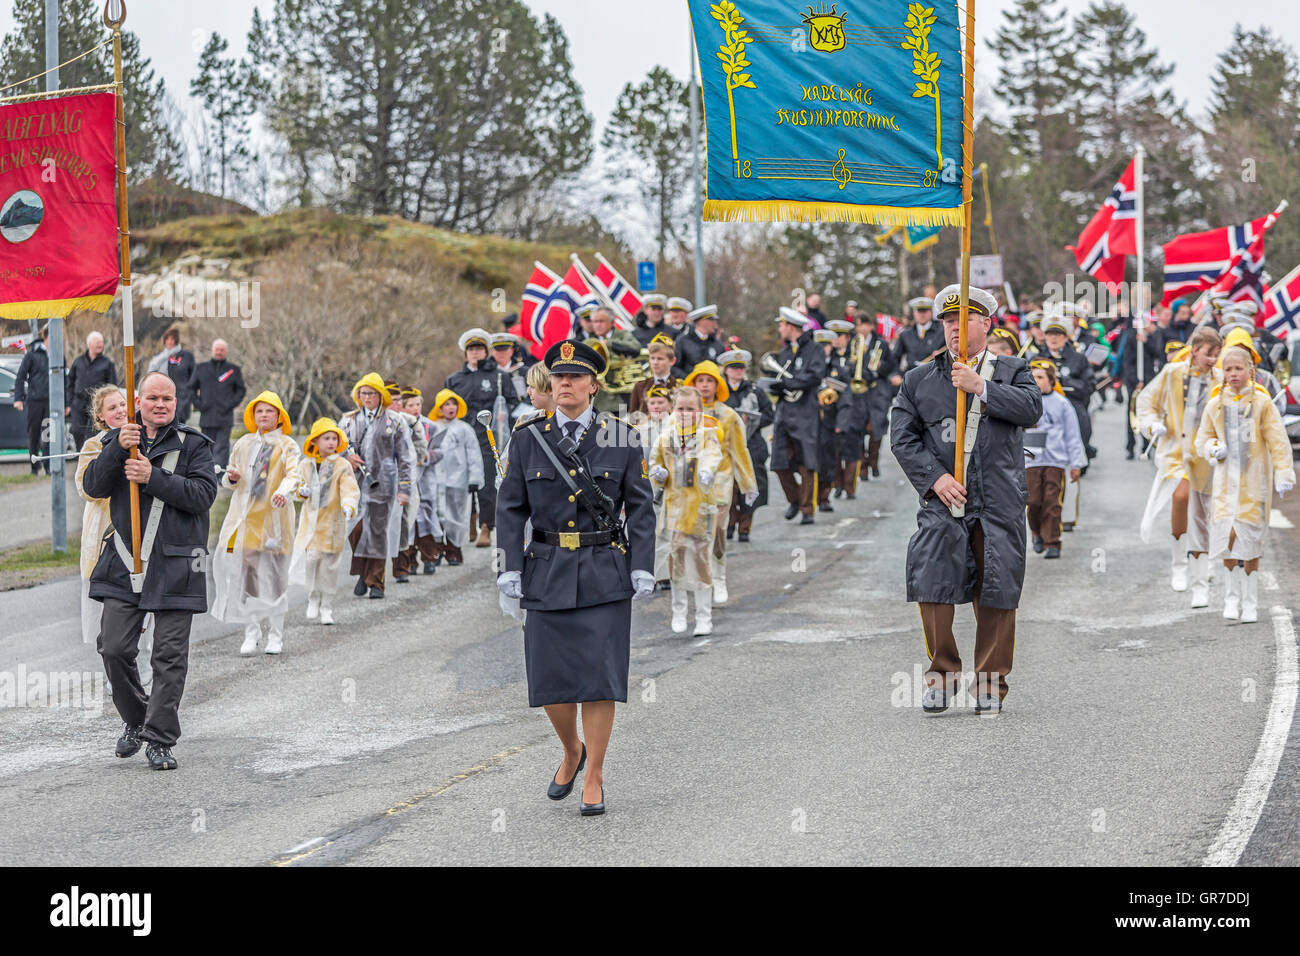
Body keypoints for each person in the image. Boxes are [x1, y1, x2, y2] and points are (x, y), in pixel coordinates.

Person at [495, 339, 657, 816]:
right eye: (558, 377)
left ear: (594, 384)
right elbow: (509, 509)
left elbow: (642, 507)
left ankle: (595, 774)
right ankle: (571, 749)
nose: (564, 383)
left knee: (599, 679)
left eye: (575, 376)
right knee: (550, 679)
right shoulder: (528, 437)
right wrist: (509, 568)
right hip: (546, 568)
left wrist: (644, 563)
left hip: (605, 568)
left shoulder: (621, 436)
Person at [890, 286, 1043, 715]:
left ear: (986, 324)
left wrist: (981, 387)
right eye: (948, 321)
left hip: (998, 501)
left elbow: (1031, 408)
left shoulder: (1012, 370)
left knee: (997, 590)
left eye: (964, 320)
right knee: (931, 581)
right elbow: (902, 437)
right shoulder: (920, 379)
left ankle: (991, 684)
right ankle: (942, 675)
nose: (955, 328)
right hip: (945, 500)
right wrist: (934, 478)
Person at [82, 371, 218, 770]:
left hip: (178, 563)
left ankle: (160, 740)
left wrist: (153, 478)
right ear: (137, 401)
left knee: (169, 656)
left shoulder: (194, 445)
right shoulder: (118, 438)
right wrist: (116, 450)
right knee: (114, 647)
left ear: (177, 404)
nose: (161, 405)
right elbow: (94, 487)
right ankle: (137, 718)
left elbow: (203, 495)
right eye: (153, 398)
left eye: (168, 399)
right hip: (127, 561)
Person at [1195, 346, 1296, 624]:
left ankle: (1250, 602)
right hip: (1225, 485)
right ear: (1223, 374)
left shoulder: (1262, 403)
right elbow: (1202, 437)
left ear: (1250, 371)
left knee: (1250, 543)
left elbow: (1277, 440)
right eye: (1228, 369)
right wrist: (1212, 446)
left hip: (1254, 486)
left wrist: (1284, 472)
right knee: (1227, 537)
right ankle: (1231, 596)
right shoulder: (1215, 404)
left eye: (1239, 368)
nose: (1234, 374)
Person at [1135, 326, 1223, 606]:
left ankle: (1202, 567)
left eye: (1216, 355)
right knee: (1181, 497)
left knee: (1205, 513)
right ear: (1195, 350)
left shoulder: (1219, 379)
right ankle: (1178, 564)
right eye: (1209, 354)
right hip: (1176, 453)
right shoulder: (1172, 373)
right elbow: (1147, 402)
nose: (1213, 360)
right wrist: (1152, 424)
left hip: (1207, 456)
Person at [211, 391, 302, 656]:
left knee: (274, 579)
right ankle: (252, 632)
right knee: (247, 577)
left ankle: (276, 635)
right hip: (246, 522)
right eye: (259, 411)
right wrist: (232, 477)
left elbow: (294, 475)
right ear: (253, 415)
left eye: (269, 411)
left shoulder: (288, 445)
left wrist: (283, 492)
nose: (264, 415)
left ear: (278, 416)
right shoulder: (243, 444)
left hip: (274, 521)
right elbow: (231, 477)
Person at [649, 386, 724, 635]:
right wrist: (659, 475)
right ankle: (679, 611)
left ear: (700, 411)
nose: (685, 414)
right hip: (674, 510)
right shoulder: (665, 437)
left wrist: (707, 471)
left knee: (701, 561)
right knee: (677, 560)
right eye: (680, 409)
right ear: (673, 410)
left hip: (700, 510)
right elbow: (655, 462)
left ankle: (704, 616)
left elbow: (712, 456)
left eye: (690, 409)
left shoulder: (707, 436)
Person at [682, 361, 757, 605]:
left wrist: (748, 485)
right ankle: (701, 578)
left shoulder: (728, 415)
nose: (704, 386)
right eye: (699, 381)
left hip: (720, 482)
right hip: (689, 482)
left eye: (709, 381)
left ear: (718, 385)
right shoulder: (682, 413)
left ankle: (720, 576)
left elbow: (740, 451)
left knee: (718, 530)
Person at [340, 372, 415, 598]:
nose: (368, 397)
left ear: (381, 396)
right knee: (356, 531)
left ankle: (376, 582)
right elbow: (333, 446)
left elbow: (406, 457)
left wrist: (404, 488)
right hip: (353, 485)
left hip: (384, 485)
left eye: (372, 393)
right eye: (363, 393)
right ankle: (362, 573)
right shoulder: (348, 419)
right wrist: (347, 457)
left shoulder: (395, 420)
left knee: (378, 532)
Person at [446, 327, 518, 547]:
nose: (475, 353)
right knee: (463, 480)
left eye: (479, 349)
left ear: (486, 351)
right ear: (465, 353)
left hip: (489, 437)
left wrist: (506, 413)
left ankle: (486, 526)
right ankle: (469, 519)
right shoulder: (454, 379)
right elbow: (445, 405)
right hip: (462, 438)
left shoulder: (499, 377)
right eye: (471, 349)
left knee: (487, 483)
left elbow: (514, 402)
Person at [290, 417, 360, 626]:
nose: (331, 442)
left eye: (334, 438)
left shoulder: (342, 465)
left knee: (329, 567)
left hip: (332, 524)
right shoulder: (306, 465)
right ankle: (312, 596)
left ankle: (327, 605)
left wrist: (348, 504)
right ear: (315, 442)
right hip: (311, 525)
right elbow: (298, 489)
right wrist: (301, 493)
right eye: (326, 438)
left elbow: (349, 487)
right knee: (312, 561)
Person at [75, 385, 131, 646]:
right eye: (112, 407)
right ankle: (113, 668)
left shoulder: (143, 436)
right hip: (103, 528)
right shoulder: (92, 445)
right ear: (100, 416)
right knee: (107, 605)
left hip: (135, 526)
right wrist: (111, 456)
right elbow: (86, 489)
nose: (120, 410)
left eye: (122, 404)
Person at [769, 307, 828, 525]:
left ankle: (806, 509)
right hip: (785, 412)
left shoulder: (815, 350)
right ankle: (794, 498)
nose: (779, 329)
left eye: (781, 325)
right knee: (778, 462)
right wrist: (776, 387)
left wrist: (788, 383)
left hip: (805, 413)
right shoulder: (783, 354)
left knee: (807, 462)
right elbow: (780, 379)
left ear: (790, 327)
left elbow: (814, 376)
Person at [1024, 360, 1085, 559]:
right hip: (1031, 460)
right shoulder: (1024, 401)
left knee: (1052, 501)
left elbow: (1072, 434)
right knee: (1032, 501)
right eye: (1032, 377)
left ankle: (1052, 542)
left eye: (1040, 377)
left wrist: (1075, 463)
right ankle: (1036, 532)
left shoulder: (1062, 403)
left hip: (1055, 461)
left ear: (1051, 380)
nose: (1036, 381)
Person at [721, 349, 773, 541]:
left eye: (741, 368)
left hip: (752, 444)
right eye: (733, 368)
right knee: (728, 489)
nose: (737, 372)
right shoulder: (721, 392)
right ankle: (730, 522)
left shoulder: (755, 391)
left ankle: (745, 527)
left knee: (750, 488)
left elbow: (769, 414)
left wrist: (753, 420)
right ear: (726, 370)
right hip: (726, 446)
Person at [429, 388, 483, 567]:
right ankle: (436, 549)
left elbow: (474, 455)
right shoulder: (432, 427)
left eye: (454, 404)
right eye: (446, 404)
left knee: (457, 515)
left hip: (458, 480)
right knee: (435, 514)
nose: (451, 408)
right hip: (436, 479)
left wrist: (475, 478)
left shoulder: (464, 429)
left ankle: (454, 550)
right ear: (439, 407)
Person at [853, 312, 899, 483]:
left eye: (863, 324)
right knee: (858, 429)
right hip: (859, 391)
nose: (861, 328)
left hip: (878, 390)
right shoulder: (854, 342)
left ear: (871, 326)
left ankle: (873, 461)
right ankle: (863, 466)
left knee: (875, 429)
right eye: (858, 325)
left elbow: (891, 365)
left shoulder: (881, 344)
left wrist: (880, 367)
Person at [389, 385, 429, 584]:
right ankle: (368, 570)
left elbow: (422, 450)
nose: (395, 404)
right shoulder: (368, 423)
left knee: (404, 522)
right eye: (392, 400)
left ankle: (402, 566)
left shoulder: (411, 423)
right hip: (378, 482)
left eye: (398, 400)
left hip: (405, 480)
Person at [191, 338, 247, 472]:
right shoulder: (201, 368)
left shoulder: (233, 370)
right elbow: (190, 388)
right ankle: (207, 475)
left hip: (225, 417)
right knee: (206, 447)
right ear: (212, 350)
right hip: (206, 417)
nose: (219, 352)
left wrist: (230, 404)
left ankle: (220, 476)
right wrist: (199, 404)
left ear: (226, 352)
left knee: (222, 448)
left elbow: (241, 390)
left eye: (222, 350)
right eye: (217, 349)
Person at [66, 331, 117, 449]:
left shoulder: (107, 363)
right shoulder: (78, 361)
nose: (100, 344)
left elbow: (112, 386)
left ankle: (93, 458)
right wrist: (69, 403)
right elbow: (70, 382)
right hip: (78, 402)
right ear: (89, 344)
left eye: (102, 342)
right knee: (76, 430)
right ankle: (81, 454)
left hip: (96, 403)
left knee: (93, 432)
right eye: (97, 342)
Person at [13, 323, 52, 474]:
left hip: (51, 402)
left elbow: (65, 379)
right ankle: (34, 467)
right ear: (48, 336)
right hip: (35, 402)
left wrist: (66, 402)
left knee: (49, 435)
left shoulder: (57, 355)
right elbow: (20, 377)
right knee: (34, 434)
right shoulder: (32, 354)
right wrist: (19, 398)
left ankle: (49, 468)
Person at [147, 326, 197, 423]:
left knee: (179, 428)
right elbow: (151, 374)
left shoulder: (186, 356)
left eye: (172, 339)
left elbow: (193, 378)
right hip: (162, 397)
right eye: (167, 339)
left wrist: (189, 396)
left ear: (177, 341)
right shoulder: (159, 358)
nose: (170, 342)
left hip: (181, 400)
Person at [891, 296, 945, 378]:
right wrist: (896, 374)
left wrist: (942, 356)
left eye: (925, 311)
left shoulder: (942, 332)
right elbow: (894, 357)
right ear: (914, 313)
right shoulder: (905, 334)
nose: (922, 314)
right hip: (912, 377)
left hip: (935, 376)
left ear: (930, 312)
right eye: (919, 311)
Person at [628, 334, 679, 416]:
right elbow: (633, 417)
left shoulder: (679, 386)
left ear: (672, 361)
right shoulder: (640, 386)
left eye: (660, 358)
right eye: (652, 358)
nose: (655, 362)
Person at [672, 305, 724, 379]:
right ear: (701, 322)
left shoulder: (717, 343)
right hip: (689, 387)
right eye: (712, 320)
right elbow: (674, 367)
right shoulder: (682, 341)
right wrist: (689, 379)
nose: (715, 325)